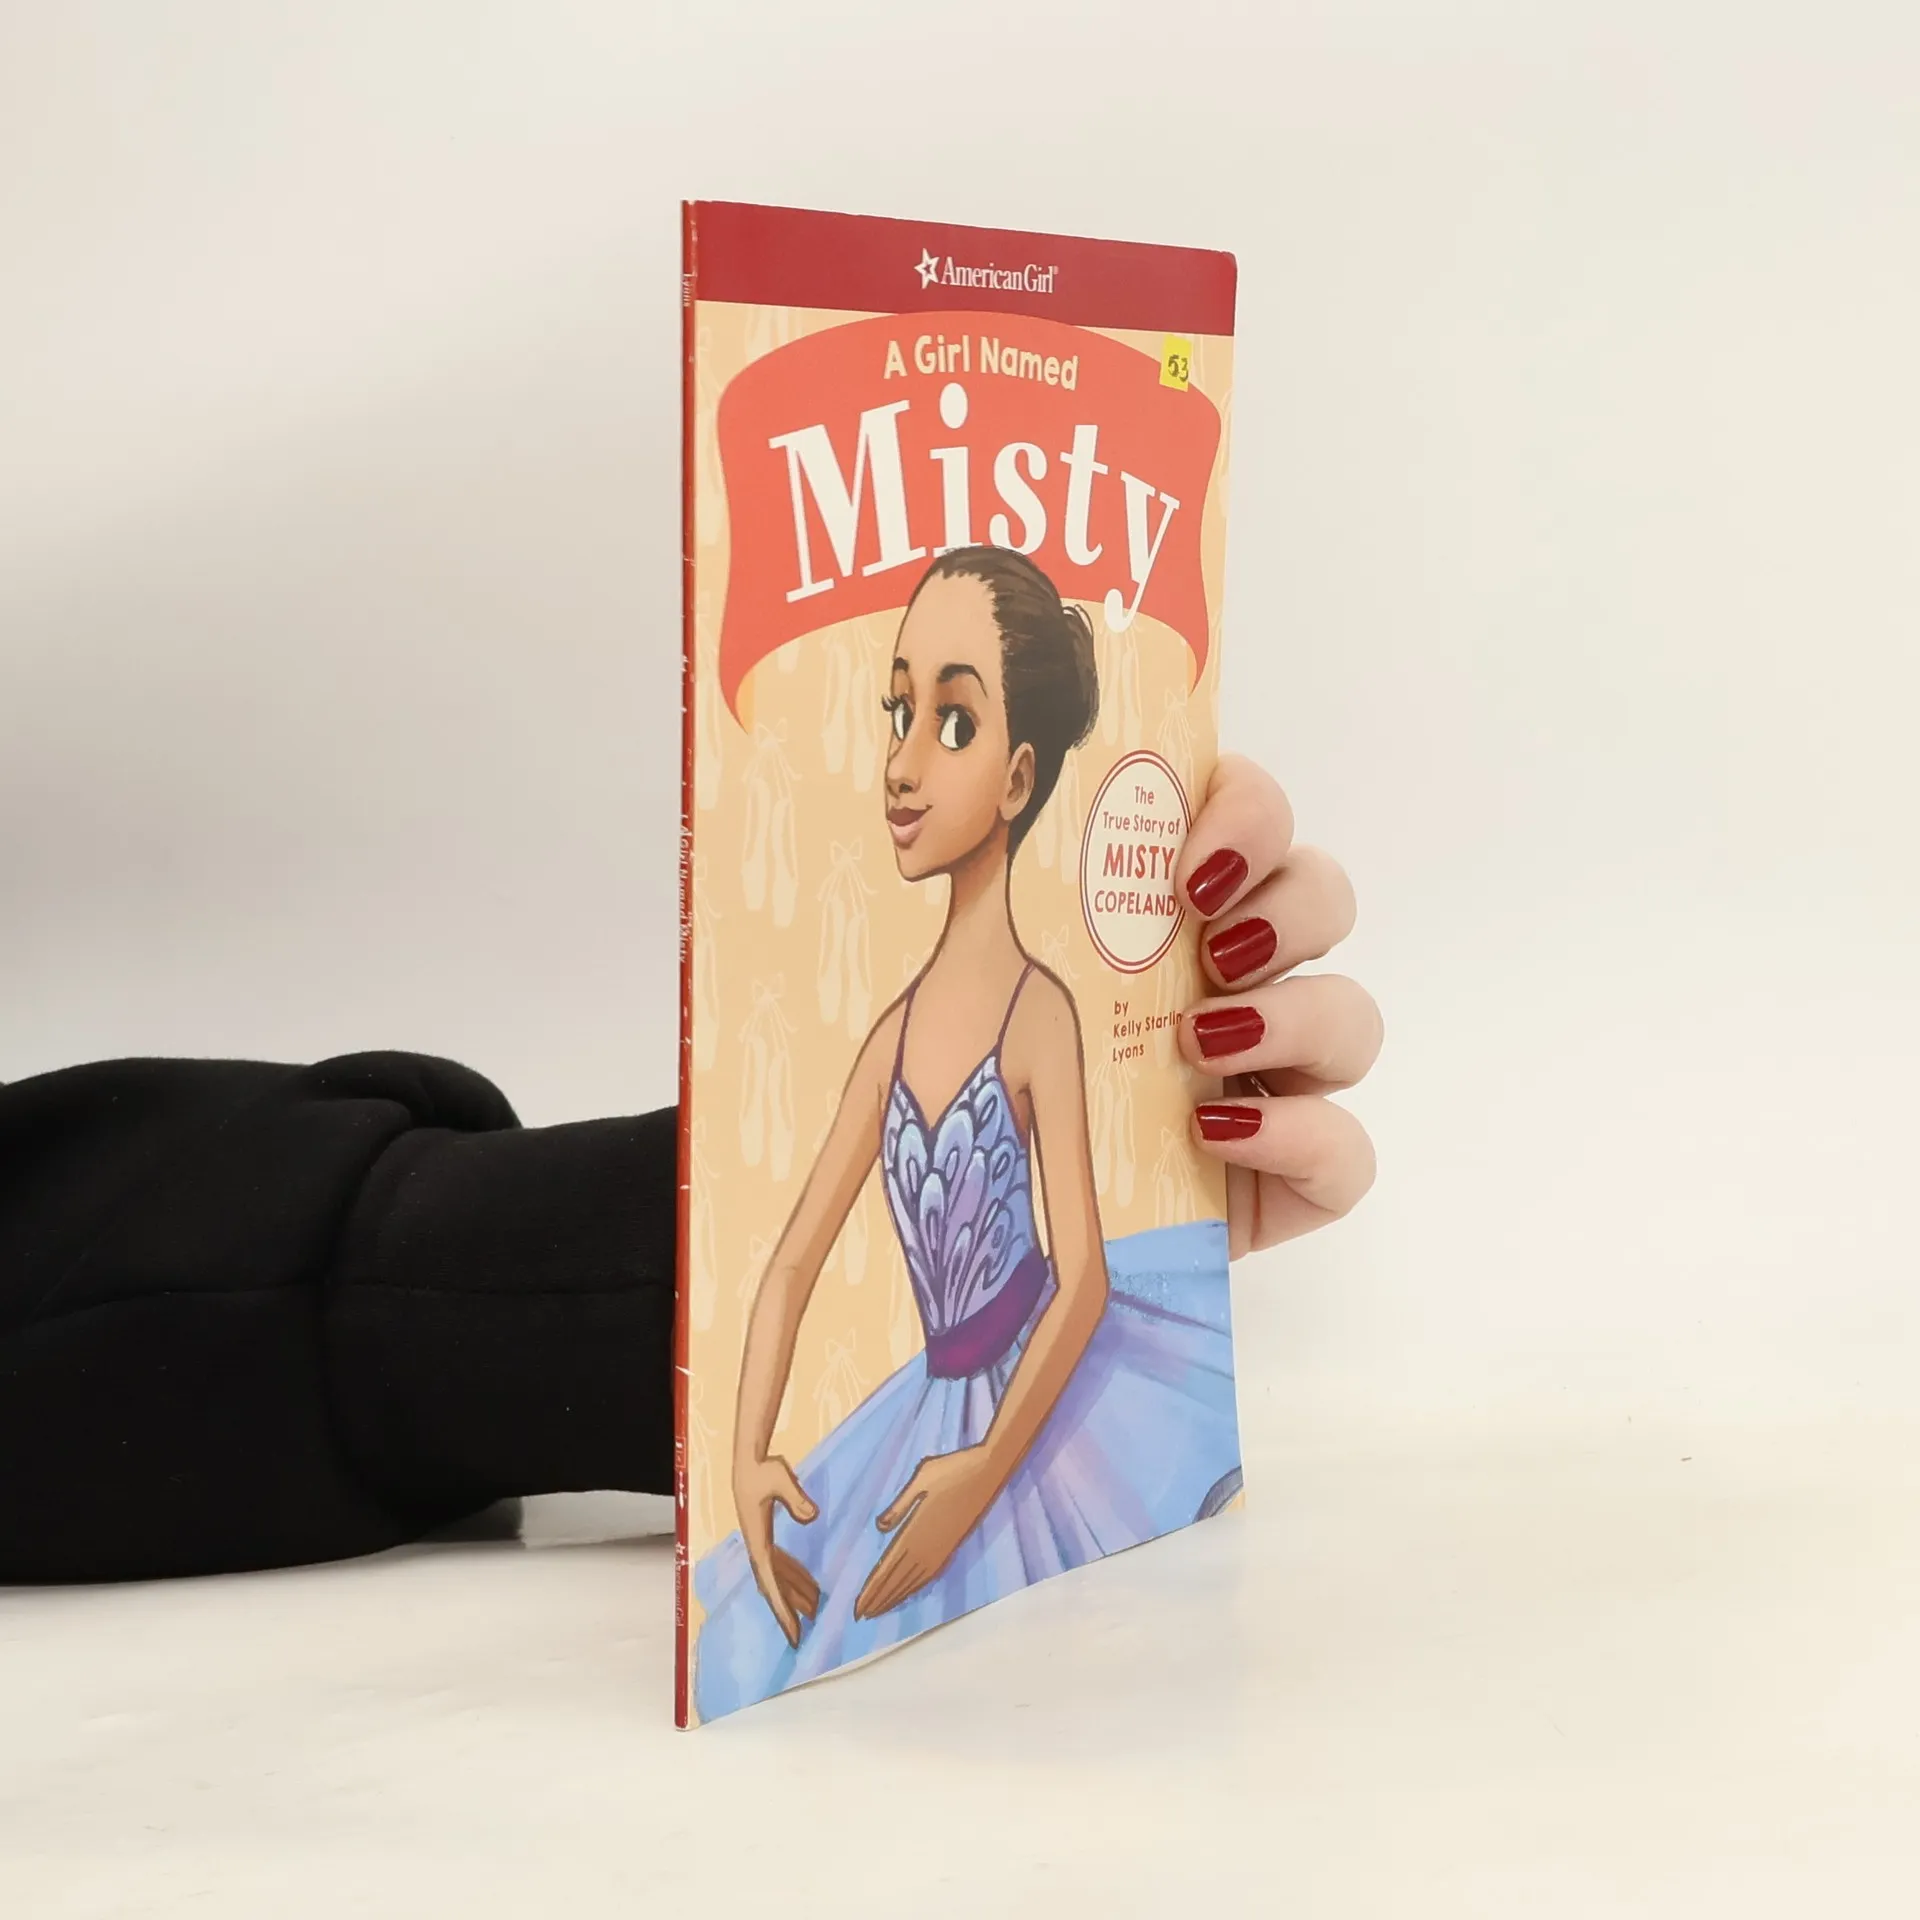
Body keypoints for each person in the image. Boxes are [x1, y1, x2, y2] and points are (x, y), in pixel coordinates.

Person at [0, 589, 1382, 1592]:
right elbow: (786, 1262)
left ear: (1023, 773)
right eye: (898, 711)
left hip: (1024, 1422)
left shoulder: (1038, 1014)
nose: (901, 761)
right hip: (920, 1419)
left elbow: (1077, 1282)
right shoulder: (894, 1033)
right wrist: (745, 1451)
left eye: (950, 721)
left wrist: (1150, 1157)